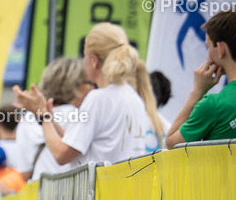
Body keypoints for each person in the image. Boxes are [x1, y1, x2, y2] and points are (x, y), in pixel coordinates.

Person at [14, 22, 164, 166]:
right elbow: (77, 143)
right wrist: (49, 119)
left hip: (101, 184)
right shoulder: (133, 98)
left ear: (93, 60)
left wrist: (43, 116)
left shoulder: (98, 98)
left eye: (84, 56)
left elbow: (61, 155)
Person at [165, 11, 236, 147]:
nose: (208, 56)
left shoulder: (213, 105)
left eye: (208, 47)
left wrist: (198, 91)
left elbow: (171, 145)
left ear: (221, 49)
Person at [13, 57, 90, 180]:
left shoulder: (28, 118)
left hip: (38, 186)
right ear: (76, 85)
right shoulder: (79, 115)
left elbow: (25, 173)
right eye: (88, 83)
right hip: (74, 186)